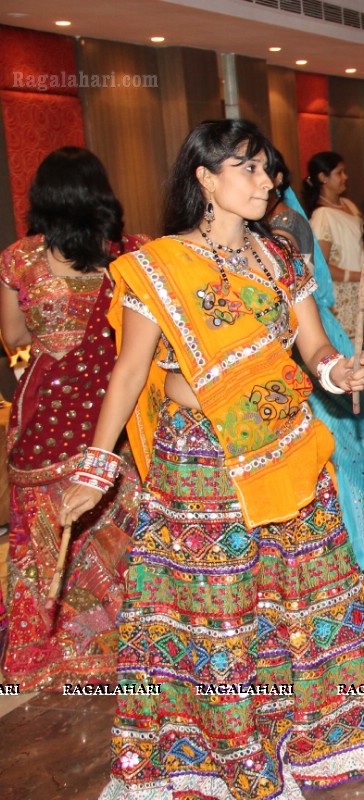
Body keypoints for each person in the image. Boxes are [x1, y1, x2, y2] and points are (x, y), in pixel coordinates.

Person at [60, 120, 364, 797]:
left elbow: (311, 346)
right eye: (247, 169)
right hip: (202, 465)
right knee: (219, 608)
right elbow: (130, 372)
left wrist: (338, 371)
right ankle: (224, 748)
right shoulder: (159, 266)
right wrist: (94, 465)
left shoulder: (280, 258)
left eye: (267, 169)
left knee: (297, 597)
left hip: (284, 449)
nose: (265, 182)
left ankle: (306, 728)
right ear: (205, 179)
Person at [0, 147, 143, 689]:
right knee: (119, 528)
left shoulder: (19, 259)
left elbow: (13, 338)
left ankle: (45, 655)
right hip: (113, 412)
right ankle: (120, 647)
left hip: (44, 413)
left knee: (41, 534)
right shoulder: (129, 252)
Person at [265, 147, 364, 569]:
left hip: (305, 335)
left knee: (335, 447)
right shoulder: (280, 223)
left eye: (262, 172)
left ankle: (357, 547)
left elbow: (292, 294)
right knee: (335, 446)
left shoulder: (284, 225)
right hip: (311, 330)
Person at [304, 150, 363, 327]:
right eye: (339, 172)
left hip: (363, 293)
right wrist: (359, 276)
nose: (345, 177)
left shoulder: (349, 205)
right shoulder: (322, 216)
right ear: (323, 177)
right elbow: (321, 266)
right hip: (343, 299)